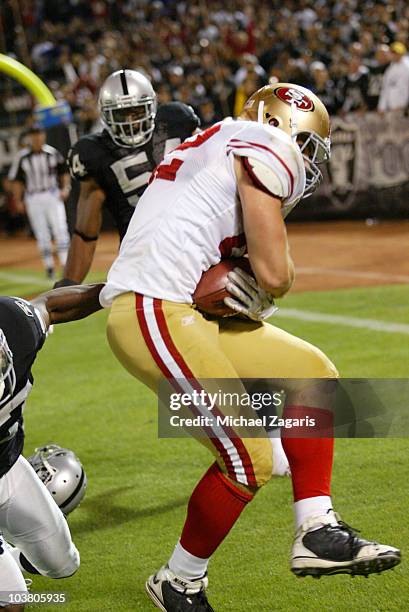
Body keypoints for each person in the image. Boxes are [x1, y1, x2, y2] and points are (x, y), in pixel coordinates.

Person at [99, 83, 400, 611]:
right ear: (282, 127)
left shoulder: (218, 139)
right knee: (249, 459)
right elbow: (274, 273)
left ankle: (316, 526)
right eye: (305, 144)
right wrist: (266, 284)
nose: (304, 159)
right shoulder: (267, 144)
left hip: (181, 309)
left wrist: (245, 288)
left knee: (313, 374)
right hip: (157, 307)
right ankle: (179, 581)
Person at [0, 283, 103, 611]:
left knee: (62, 562)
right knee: (12, 600)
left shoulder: (14, 325)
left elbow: (51, 306)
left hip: (6, 467)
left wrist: (119, 289)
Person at [55, 69, 200, 288]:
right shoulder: (93, 152)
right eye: (122, 114)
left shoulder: (177, 121)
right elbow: (85, 233)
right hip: (143, 258)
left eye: (136, 111)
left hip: (197, 238)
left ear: (151, 106)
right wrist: (68, 283)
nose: (131, 121)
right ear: (106, 115)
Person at [7, 127, 71, 280]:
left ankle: (65, 264)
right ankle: (49, 266)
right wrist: (18, 199)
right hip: (33, 197)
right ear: (29, 137)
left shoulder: (52, 153)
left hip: (52, 194)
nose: (37, 139)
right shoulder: (22, 157)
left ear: (44, 136)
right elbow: (16, 180)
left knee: (60, 229)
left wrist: (66, 188)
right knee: (42, 233)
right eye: (34, 136)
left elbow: (64, 172)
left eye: (39, 135)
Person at [378, 42, 409, 114]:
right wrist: (381, 107)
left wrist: (407, 106)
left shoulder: (407, 66)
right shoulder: (390, 69)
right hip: (392, 109)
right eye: (392, 52)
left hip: (405, 109)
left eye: (395, 52)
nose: (394, 55)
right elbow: (385, 88)